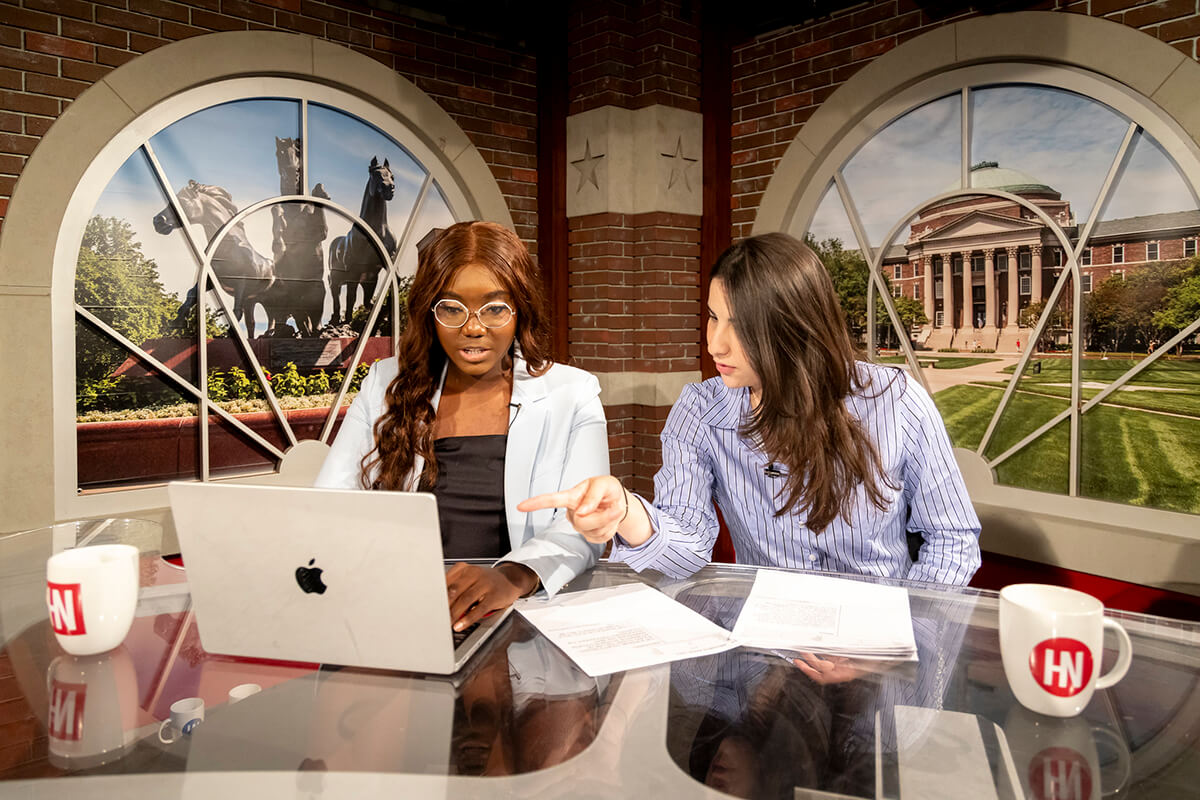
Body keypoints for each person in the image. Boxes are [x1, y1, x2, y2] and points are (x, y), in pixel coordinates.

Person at [520, 232, 981, 601]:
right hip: (765, 657)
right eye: (712, 317)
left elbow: (952, 539)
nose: (715, 344)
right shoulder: (700, 411)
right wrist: (628, 512)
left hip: (881, 656)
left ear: (794, 327)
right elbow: (688, 550)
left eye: (739, 326)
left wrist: (895, 634)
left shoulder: (896, 401)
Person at [316, 221, 608, 632]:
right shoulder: (385, 382)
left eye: (494, 308)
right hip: (396, 611)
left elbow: (586, 527)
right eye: (452, 308)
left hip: (516, 622)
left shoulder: (572, 393)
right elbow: (331, 503)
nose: (473, 327)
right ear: (429, 313)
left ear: (519, 308)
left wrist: (511, 577)